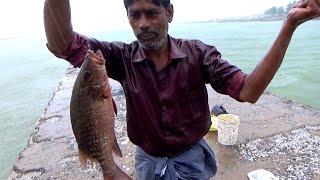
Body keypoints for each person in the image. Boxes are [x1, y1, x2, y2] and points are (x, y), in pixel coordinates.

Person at [43, 0, 320, 179]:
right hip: (146, 161)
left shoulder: (198, 54)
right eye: (134, 15)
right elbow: (62, 44)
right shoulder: (120, 57)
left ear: (170, 12)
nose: (143, 24)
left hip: (191, 158)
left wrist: (289, 24)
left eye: (152, 13)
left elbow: (248, 91)